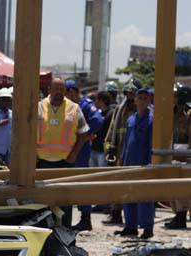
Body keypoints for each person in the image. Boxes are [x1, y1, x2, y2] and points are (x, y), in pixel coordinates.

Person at [37, 78, 90, 228]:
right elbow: (27, 132)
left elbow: (83, 133)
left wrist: (74, 154)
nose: (59, 93)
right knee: (43, 201)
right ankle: (45, 236)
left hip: (65, 163)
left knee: (65, 201)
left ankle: (65, 234)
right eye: (56, 89)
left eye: (62, 89)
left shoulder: (74, 108)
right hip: (42, 163)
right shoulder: (38, 107)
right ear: (49, 90)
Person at [64, 80, 104, 231]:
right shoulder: (68, 106)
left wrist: (84, 135)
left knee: (80, 183)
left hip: (81, 151)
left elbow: (97, 121)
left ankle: (85, 218)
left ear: (72, 91)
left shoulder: (85, 105)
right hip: (68, 149)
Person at [115, 88, 154, 239]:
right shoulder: (131, 119)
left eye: (145, 98)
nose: (142, 100)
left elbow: (152, 145)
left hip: (144, 164)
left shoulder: (151, 120)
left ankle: (147, 228)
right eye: (140, 98)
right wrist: (122, 159)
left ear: (149, 101)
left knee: (145, 196)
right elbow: (126, 142)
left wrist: (151, 164)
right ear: (135, 100)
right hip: (129, 163)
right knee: (128, 194)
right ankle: (130, 226)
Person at [103, 77, 142, 225]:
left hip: (137, 156)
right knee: (117, 185)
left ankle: (135, 218)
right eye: (128, 93)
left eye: (133, 93)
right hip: (120, 155)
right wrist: (110, 149)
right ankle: (116, 214)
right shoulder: (119, 110)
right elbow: (111, 131)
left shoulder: (145, 112)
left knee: (136, 187)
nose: (130, 96)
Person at [165, 83, 191, 229]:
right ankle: (178, 215)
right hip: (173, 152)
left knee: (182, 189)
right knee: (174, 187)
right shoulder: (172, 113)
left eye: (175, 96)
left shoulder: (189, 113)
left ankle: (181, 217)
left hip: (185, 154)